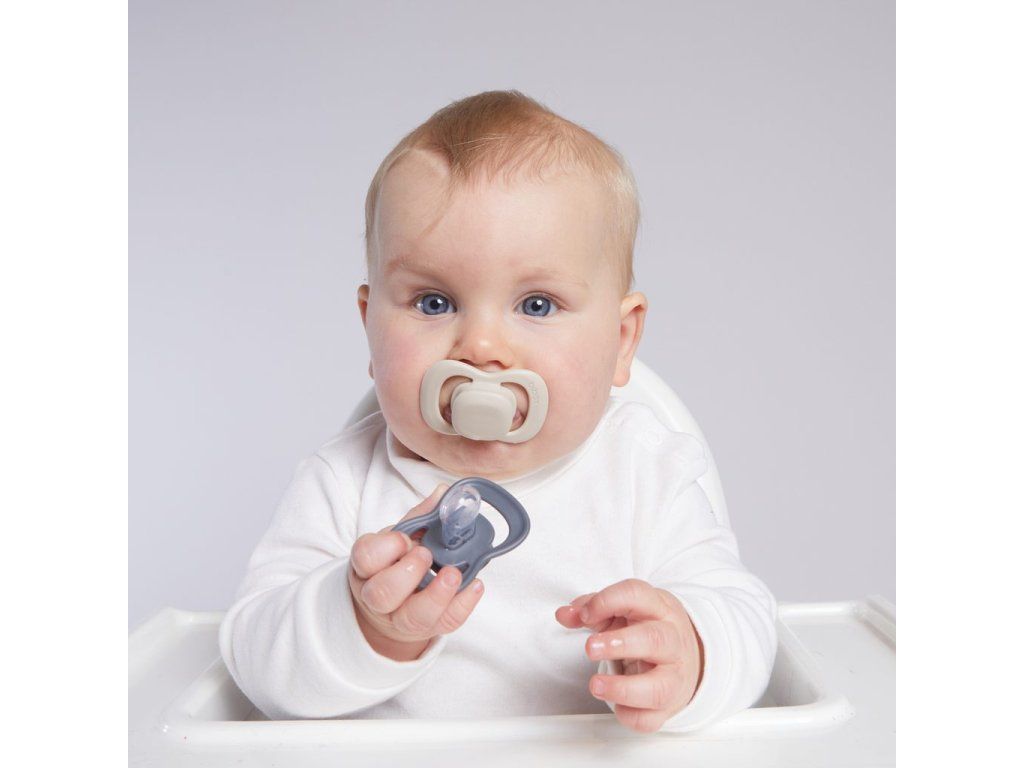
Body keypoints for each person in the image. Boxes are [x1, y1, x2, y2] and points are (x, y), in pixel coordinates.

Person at [219, 90, 777, 733]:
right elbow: (254, 659)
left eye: (537, 305)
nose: (482, 347)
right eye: (433, 303)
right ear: (370, 328)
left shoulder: (645, 471)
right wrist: (363, 624)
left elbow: (747, 619)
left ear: (621, 341)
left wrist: (692, 652)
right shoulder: (344, 481)